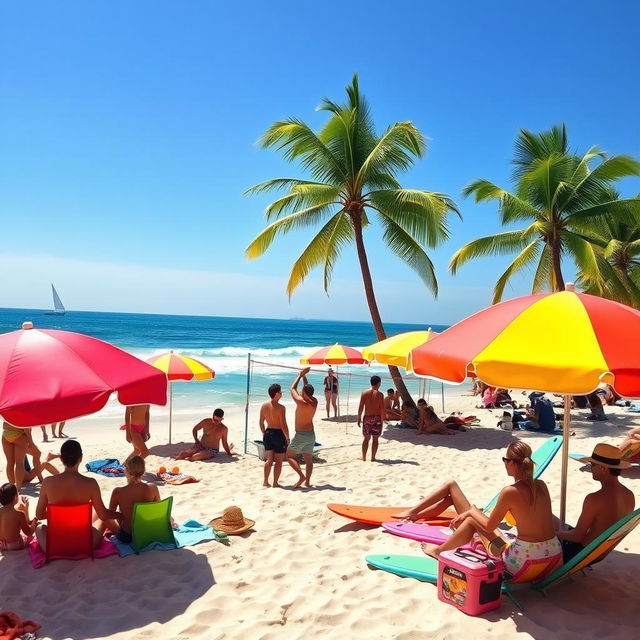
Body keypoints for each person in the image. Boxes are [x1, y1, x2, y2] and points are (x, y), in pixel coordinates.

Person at [396, 441, 562, 577]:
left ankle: (439, 551)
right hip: (554, 555)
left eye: (505, 460)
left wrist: (472, 511)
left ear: (511, 463)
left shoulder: (510, 491)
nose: (504, 464)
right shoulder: (540, 485)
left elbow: (489, 526)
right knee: (476, 519)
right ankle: (420, 519)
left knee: (471, 520)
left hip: (525, 562)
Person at [35, 440, 122, 551]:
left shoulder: (47, 482)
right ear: (80, 458)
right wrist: (120, 515)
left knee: (38, 527)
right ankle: (122, 535)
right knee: (101, 515)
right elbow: (104, 515)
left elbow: (39, 514)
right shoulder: (91, 483)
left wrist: (62, 516)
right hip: (85, 543)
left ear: (61, 458)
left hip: (57, 544)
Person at [556, 443, 635, 563]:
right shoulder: (629, 495)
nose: (590, 468)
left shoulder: (594, 499)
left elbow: (577, 537)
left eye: (592, 465)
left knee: (544, 521)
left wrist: (554, 534)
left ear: (604, 468)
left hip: (580, 554)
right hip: (599, 553)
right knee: (554, 522)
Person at [98, 456, 161, 544]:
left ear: (127, 471)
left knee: (104, 517)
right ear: (143, 470)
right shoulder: (153, 487)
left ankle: (96, 538)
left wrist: (122, 516)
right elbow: (158, 509)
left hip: (128, 537)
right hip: (147, 533)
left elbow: (110, 515)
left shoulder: (118, 492)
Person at [286, 367, 318, 488]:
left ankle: (301, 476)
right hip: (311, 434)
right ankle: (308, 482)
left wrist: (299, 375)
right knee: (308, 460)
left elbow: (292, 388)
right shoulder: (314, 401)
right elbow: (307, 389)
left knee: (289, 456)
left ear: (304, 392)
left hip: (301, 435)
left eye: (303, 390)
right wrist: (305, 376)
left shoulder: (301, 401)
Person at [259, 383, 290, 488]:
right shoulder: (281, 408)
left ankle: (265, 481)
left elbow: (261, 423)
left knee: (269, 460)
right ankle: (275, 483)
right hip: (278, 434)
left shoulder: (264, 405)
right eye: (280, 392)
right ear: (276, 394)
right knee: (279, 461)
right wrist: (288, 437)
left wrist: (264, 433)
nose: (281, 393)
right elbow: (283, 424)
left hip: (268, 433)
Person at [0, 483, 38, 551]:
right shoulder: (19, 514)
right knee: (30, 536)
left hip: (1, 544)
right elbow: (29, 532)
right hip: (15, 545)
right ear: (15, 497)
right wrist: (35, 521)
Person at [357, 375, 385, 461]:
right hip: (377, 418)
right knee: (375, 439)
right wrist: (382, 420)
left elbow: (361, 406)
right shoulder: (380, 395)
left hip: (367, 418)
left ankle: (364, 457)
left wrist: (358, 418)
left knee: (366, 438)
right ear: (379, 383)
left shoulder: (364, 393)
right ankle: (373, 457)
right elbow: (382, 409)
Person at [2, 423, 30, 492]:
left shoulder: (7, 411)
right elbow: (27, 429)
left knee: (10, 463)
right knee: (19, 463)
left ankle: (11, 486)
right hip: (19, 433)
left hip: (6, 433)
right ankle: (17, 489)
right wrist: (31, 442)